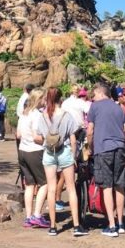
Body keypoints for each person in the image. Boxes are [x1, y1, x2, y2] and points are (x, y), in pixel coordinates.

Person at [34, 87, 87, 237]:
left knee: (51, 189)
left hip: (49, 153)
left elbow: (39, 137)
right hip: (64, 151)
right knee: (70, 188)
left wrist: (46, 142)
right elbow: (73, 138)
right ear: (60, 98)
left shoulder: (43, 116)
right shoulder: (66, 115)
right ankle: (76, 226)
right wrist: (74, 155)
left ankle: (52, 226)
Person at [87, 83, 125, 237]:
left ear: (100, 93)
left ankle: (112, 225)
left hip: (103, 149)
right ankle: (121, 223)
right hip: (121, 149)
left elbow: (89, 131)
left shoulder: (94, 107)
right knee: (120, 186)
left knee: (107, 187)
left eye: (94, 95)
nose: (93, 98)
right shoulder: (119, 107)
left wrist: (90, 147)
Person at [17, 88, 51, 229]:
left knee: (30, 184)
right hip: (35, 151)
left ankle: (28, 217)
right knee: (45, 183)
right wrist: (48, 140)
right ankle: (37, 215)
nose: (46, 101)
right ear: (39, 99)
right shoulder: (37, 115)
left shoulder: (24, 114)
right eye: (44, 99)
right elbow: (37, 138)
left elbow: (18, 134)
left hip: (22, 151)